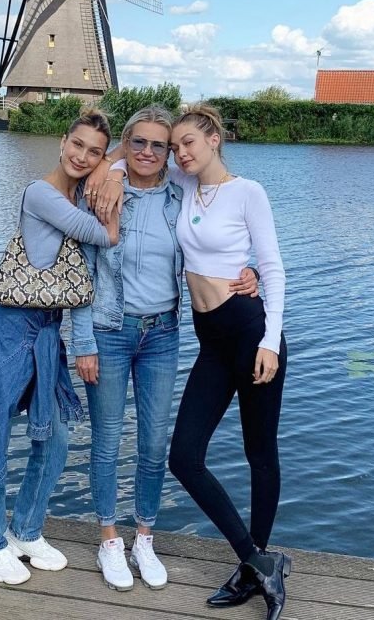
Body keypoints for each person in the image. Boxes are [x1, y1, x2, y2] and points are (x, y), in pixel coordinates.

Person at [71, 105, 259, 592]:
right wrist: (83, 341)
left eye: (161, 144)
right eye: (139, 142)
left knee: (155, 447)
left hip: (163, 336)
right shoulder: (100, 194)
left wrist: (250, 270)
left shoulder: (182, 191)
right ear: (125, 145)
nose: (150, 152)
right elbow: (84, 271)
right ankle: (110, 539)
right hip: (110, 331)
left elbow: (218, 234)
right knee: (108, 442)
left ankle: (145, 536)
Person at [0, 108, 119, 586]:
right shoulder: (41, 193)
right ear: (62, 140)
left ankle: (26, 529)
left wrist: (111, 168)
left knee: (58, 436)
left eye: (94, 152)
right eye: (78, 144)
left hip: (45, 333)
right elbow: (99, 236)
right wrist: (109, 202)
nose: (82, 156)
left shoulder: (81, 197)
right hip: (6, 329)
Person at [167, 105, 290, 620]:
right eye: (176, 146)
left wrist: (271, 338)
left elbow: (274, 267)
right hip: (211, 342)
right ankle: (260, 561)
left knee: (258, 452)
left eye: (190, 142)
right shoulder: (184, 182)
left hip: (249, 332)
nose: (180, 152)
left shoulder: (248, 192)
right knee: (184, 457)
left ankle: (251, 565)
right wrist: (108, 167)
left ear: (214, 138)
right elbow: (131, 155)